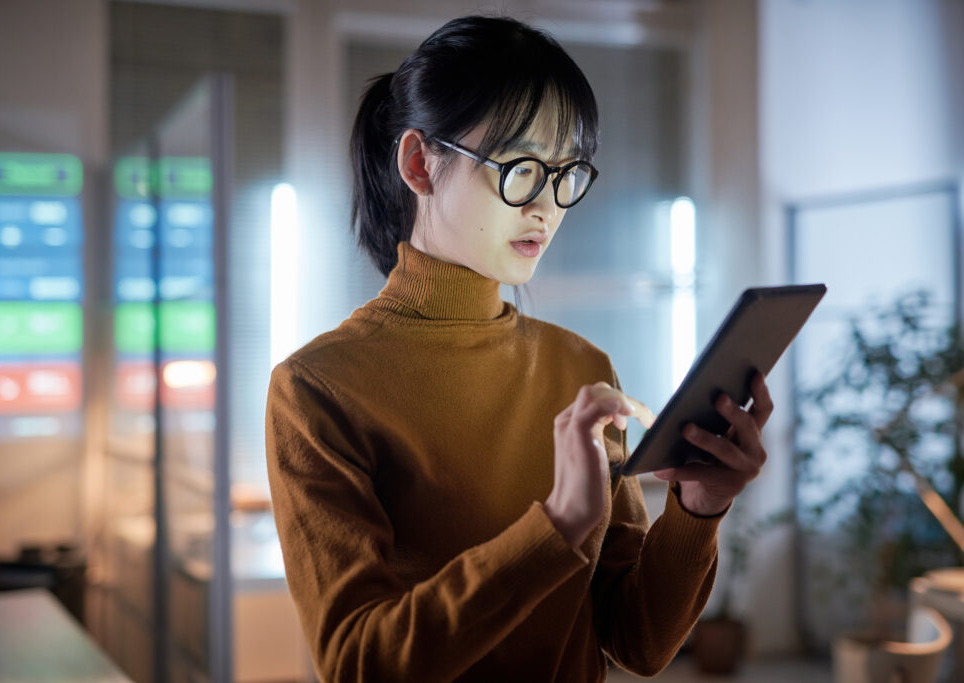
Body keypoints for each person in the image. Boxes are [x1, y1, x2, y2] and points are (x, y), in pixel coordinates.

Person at [265, 14, 772, 682]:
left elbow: (639, 640)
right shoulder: (318, 389)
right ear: (420, 162)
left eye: (566, 172)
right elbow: (360, 662)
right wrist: (556, 527)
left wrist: (698, 507)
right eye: (522, 166)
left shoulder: (581, 369)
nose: (547, 206)